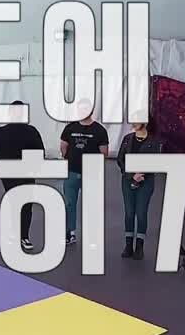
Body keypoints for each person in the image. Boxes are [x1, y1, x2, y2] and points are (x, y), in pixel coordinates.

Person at [0, 101, 45, 249]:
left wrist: (35, 168)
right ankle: (15, 233)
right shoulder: (1, 132)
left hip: (26, 173)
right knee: (15, 203)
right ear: (10, 113)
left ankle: (24, 236)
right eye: (15, 111)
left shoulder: (31, 131)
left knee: (26, 204)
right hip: (9, 174)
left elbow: (39, 151)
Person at [59, 103, 109, 245]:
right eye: (80, 108)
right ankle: (70, 233)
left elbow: (104, 152)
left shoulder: (99, 130)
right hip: (71, 172)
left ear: (91, 111)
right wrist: (69, 160)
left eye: (86, 109)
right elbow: (63, 146)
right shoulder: (70, 128)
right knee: (69, 203)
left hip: (90, 173)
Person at [116, 120, 163, 260]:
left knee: (141, 213)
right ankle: (128, 245)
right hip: (127, 180)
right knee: (129, 213)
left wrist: (141, 175)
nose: (134, 123)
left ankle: (139, 246)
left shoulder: (154, 142)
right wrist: (132, 175)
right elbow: (120, 160)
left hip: (145, 182)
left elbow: (155, 162)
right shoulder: (127, 139)